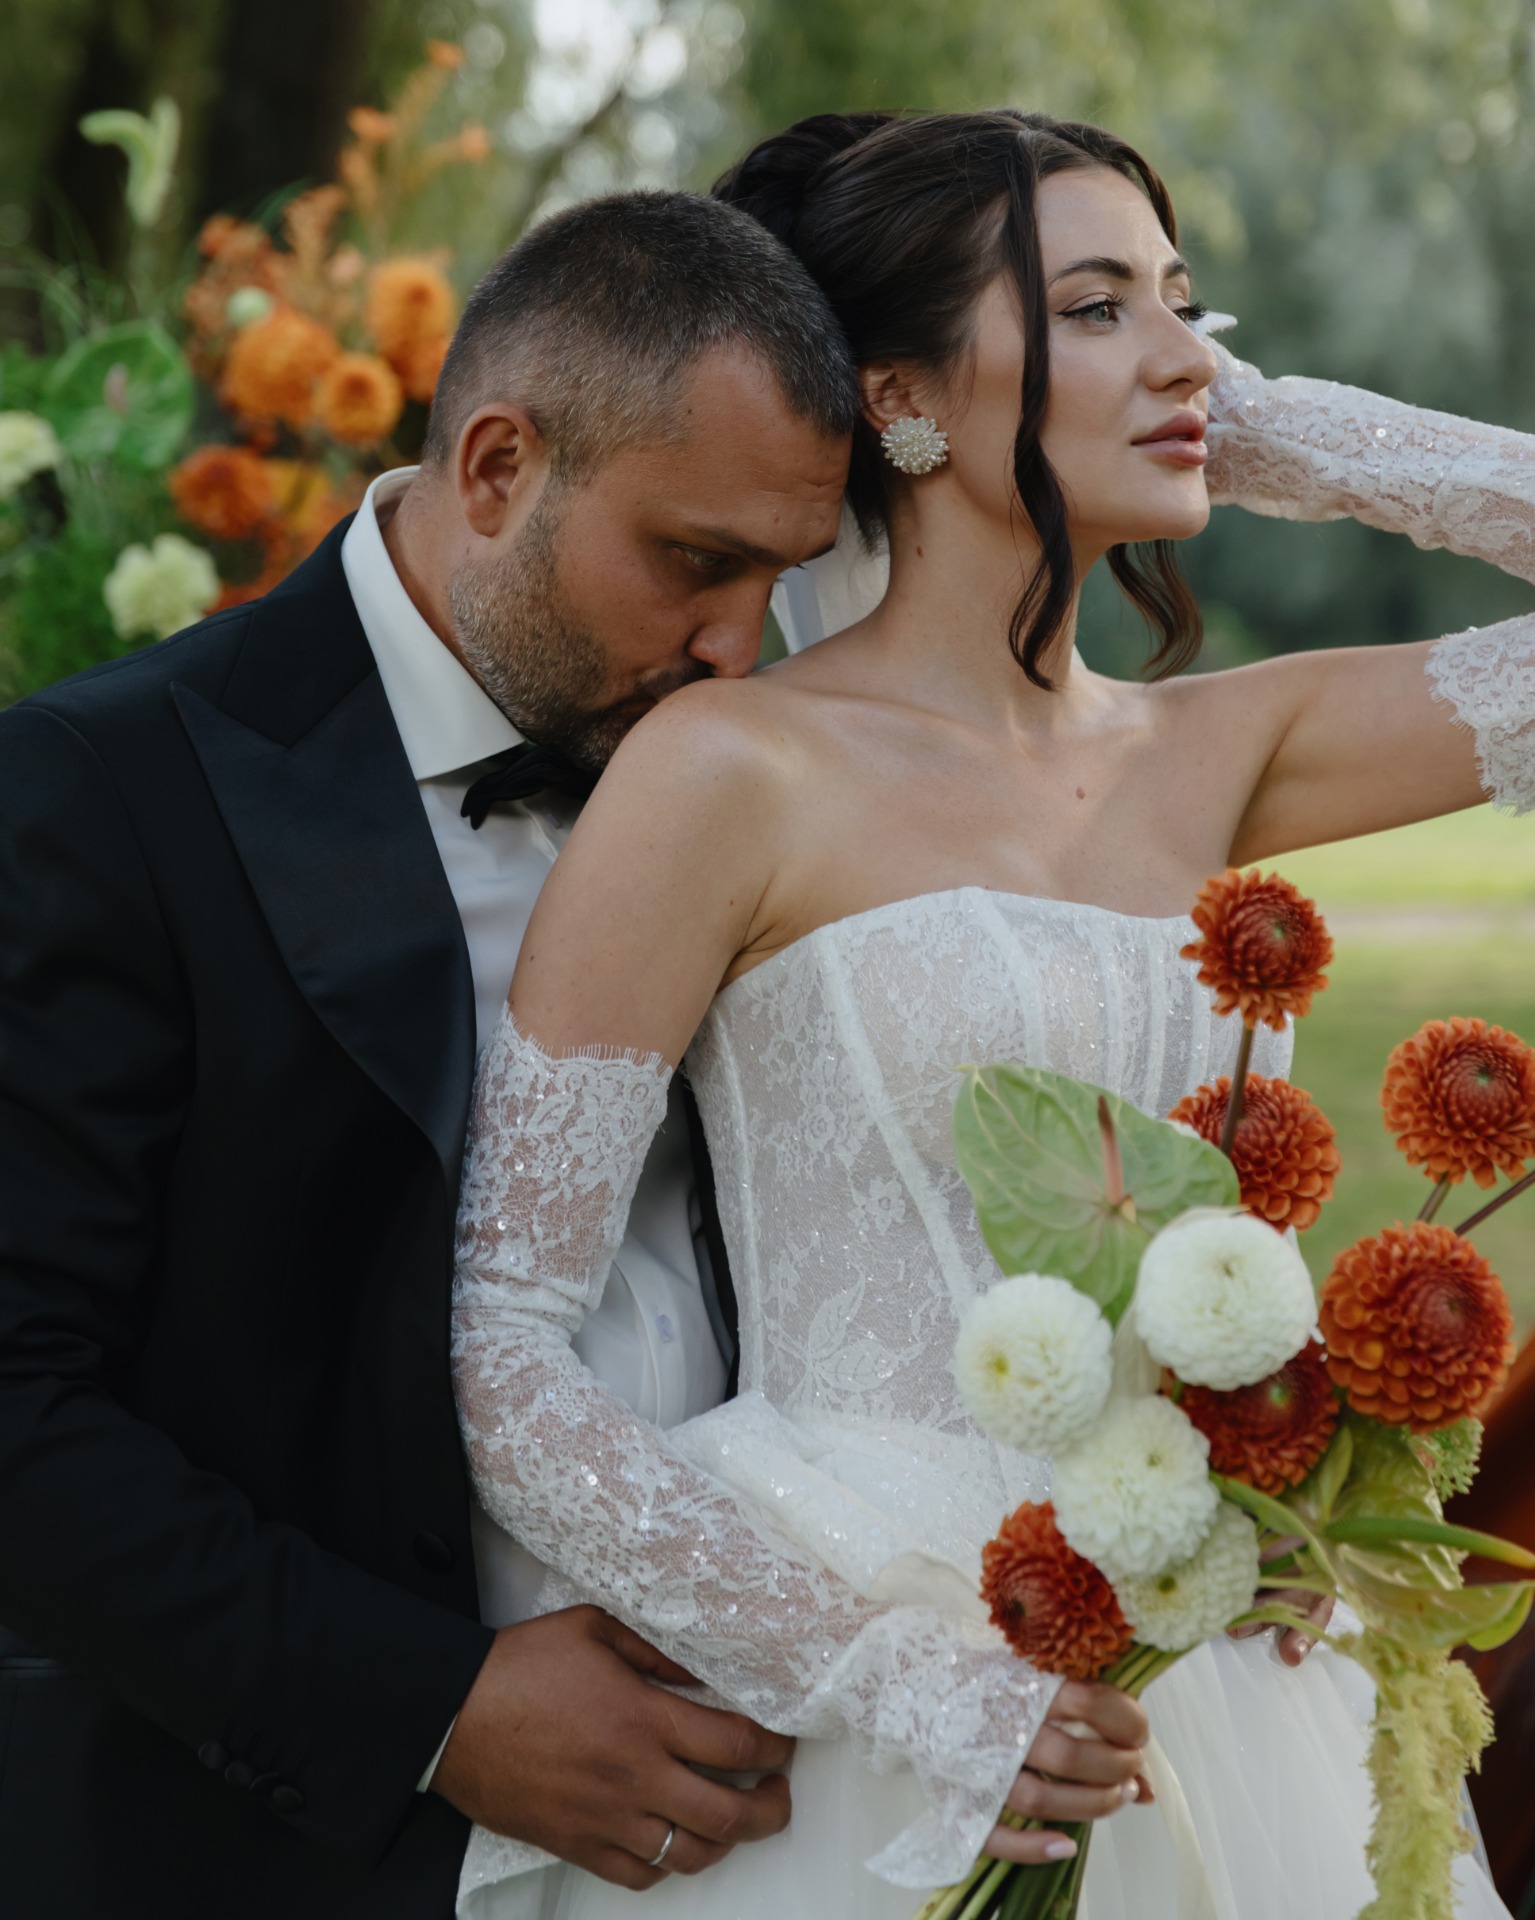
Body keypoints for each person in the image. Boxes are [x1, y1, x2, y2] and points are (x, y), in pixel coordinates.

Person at [448, 112, 1533, 1917]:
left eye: (1188, 304)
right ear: (898, 398)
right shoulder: (728, 768)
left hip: (1216, 1658)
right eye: (1096, 307)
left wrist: (1266, 433)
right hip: (851, 1661)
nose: (1187, 357)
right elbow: (501, 1337)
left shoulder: (1221, 745)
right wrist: (898, 1686)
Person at [0, 190, 858, 1919]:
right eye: (696, 562)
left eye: (782, 579)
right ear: (496, 467)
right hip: (281, 1849)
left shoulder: (772, 789)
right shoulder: (99, 795)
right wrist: (432, 1712)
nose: (738, 647)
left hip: (775, 1822)